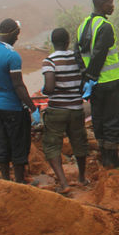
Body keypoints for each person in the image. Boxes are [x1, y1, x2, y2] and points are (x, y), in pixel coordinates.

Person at [0, 19, 40, 183]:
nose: (17, 38)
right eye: (17, 34)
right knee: (18, 145)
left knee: (2, 143)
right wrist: (33, 108)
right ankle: (20, 182)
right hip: (13, 107)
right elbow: (18, 85)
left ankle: (6, 180)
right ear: (13, 33)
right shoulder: (11, 55)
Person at [75, 0, 119, 168]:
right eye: (110, 2)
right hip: (110, 82)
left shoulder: (83, 26)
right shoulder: (105, 26)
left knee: (99, 119)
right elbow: (99, 55)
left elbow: (78, 54)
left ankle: (104, 155)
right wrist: (91, 76)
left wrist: (86, 78)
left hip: (95, 86)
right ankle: (111, 159)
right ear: (101, 3)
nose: (113, 6)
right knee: (114, 120)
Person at [41, 28, 89, 193]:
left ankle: (64, 183)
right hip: (76, 108)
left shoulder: (50, 61)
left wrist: (45, 91)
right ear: (68, 41)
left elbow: (49, 86)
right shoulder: (77, 59)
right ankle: (82, 178)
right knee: (79, 142)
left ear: (52, 42)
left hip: (57, 110)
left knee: (52, 145)